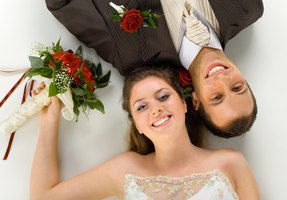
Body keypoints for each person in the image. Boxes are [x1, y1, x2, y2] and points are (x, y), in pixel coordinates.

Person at [30, 66, 260, 199]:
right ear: (137, 125)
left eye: (163, 97)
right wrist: (49, 123)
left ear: (184, 103)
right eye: (142, 106)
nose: (156, 109)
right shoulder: (126, 170)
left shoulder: (231, 163)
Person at [44, 0, 263, 138]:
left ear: (195, 101)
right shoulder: (247, 8)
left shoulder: (132, 55)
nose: (223, 80)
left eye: (216, 97)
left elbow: (62, 4)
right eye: (237, 87)